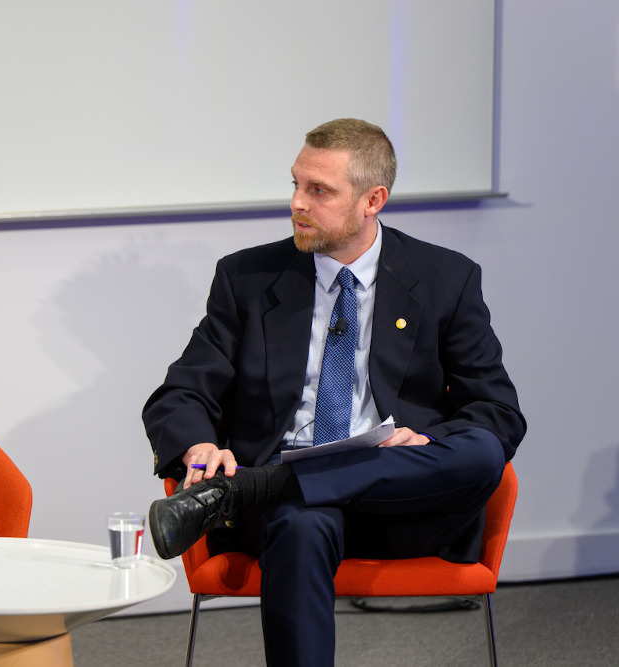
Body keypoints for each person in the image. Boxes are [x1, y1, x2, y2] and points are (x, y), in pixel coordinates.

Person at [143, 118, 525, 666]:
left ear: (373, 199)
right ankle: (276, 488)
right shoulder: (247, 278)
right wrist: (198, 446)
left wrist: (425, 438)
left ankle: (257, 487)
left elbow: (498, 412)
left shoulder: (446, 278)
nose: (298, 202)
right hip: (292, 518)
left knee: (482, 450)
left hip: (404, 506)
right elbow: (181, 392)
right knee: (299, 518)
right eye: (296, 184)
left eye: (319, 190)